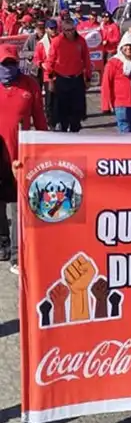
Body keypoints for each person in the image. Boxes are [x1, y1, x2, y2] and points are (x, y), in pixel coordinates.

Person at [0, 44, 45, 273]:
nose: (8, 68)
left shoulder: (29, 84)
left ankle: (17, 253)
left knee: (18, 204)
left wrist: (47, 146)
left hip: (21, 155)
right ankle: (3, 244)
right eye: (4, 64)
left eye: (11, 63)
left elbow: (40, 118)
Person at [43, 19, 91, 133]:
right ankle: (63, 131)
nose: (69, 33)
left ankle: (75, 131)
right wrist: (50, 80)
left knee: (76, 112)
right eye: (66, 30)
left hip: (77, 79)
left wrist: (88, 78)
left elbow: (86, 60)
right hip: (62, 79)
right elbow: (50, 61)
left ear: (75, 29)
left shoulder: (81, 41)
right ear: (62, 30)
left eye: (71, 30)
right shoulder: (57, 41)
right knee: (62, 112)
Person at [101, 32, 131, 133]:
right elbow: (106, 84)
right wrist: (106, 105)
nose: (129, 48)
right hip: (120, 103)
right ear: (121, 47)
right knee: (125, 129)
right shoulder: (113, 63)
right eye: (126, 45)